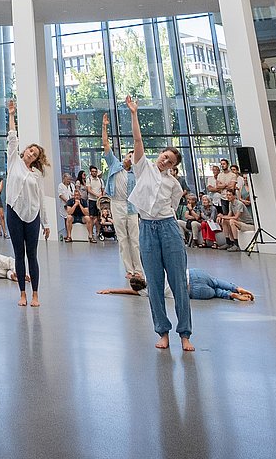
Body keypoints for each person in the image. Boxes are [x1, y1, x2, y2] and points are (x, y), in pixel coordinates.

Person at [125, 98, 193, 350]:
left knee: (178, 283)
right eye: (165, 156)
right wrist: (134, 114)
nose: (166, 161)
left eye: (171, 162)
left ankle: (185, 334)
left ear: (174, 167)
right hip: (146, 229)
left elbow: (173, 206)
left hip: (167, 228)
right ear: (160, 155)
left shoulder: (174, 184)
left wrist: (167, 222)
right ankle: (162, 332)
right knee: (154, 284)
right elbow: (138, 142)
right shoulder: (143, 168)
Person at [2, 99, 49, 306]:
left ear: (37, 158)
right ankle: (22, 293)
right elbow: (12, 138)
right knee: (19, 254)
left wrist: (46, 223)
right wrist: (12, 115)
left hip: (32, 216)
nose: (31, 153)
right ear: (25, 150)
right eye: (30, 150)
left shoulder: (37, 174)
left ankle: (35, 294)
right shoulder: (14, 161)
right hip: (13, 212)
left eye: (35, 153)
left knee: (32, 255)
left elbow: (41, 199)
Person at [98, 269, 254, 303]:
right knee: (215, 280)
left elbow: (127, 292)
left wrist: (111, 290)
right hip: (191, 275)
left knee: (215, 292)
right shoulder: (152, 273)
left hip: (192, 291)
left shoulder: (146, 292)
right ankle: (236, 288)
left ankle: (230, 295)